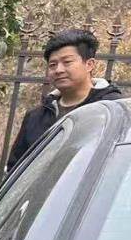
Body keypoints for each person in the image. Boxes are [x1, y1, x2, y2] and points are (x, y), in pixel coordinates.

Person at [9, 28, 124, 169]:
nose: (59, 70)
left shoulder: (113, 109)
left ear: (89, 64)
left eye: (67, 62)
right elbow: (16, 167)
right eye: (53, 65)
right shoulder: (36, 117)